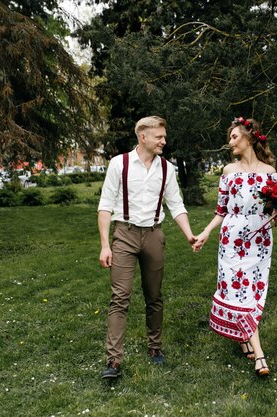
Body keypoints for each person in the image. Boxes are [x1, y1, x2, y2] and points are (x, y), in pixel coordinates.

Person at [97, 115, 196, 379]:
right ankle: (113, 361)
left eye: (164, 136)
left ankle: (155, 348)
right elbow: (105, 205)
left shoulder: (167, 169)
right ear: (143, 137)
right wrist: (105, 245)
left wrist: (189, 235)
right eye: (159, 137)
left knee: (154, 295)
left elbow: (176, 205)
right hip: (124, 235)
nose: (164, 141)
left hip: (154, 235)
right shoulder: (119, 164)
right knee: (120, 297)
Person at [193, 116, 277, 378]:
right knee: (240, 291)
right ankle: (260, 355)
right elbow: (221, 211)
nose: (229, 141)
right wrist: (206, 232)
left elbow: (275, 209)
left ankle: (244, 337)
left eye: (234, 137)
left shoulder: (269, 172)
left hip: (260, 241)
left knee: (253, 292)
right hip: (232, 241)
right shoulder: (228, 172)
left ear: (250, 138)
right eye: (230, 137)